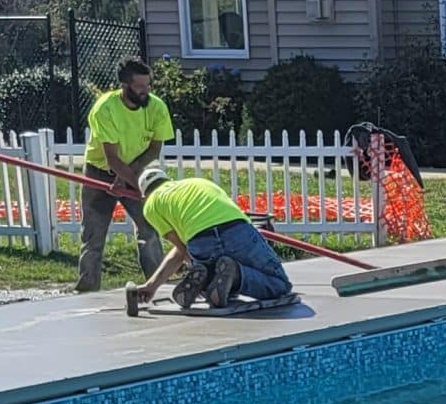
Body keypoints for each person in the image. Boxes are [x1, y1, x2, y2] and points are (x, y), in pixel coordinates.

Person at [130, 171, 296, 311]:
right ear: (168, 180)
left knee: (213, 281)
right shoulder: (199, 182)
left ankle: (207, 282)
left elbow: (181, 248)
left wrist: (154, 285)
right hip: (236, 230)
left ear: (144, 195)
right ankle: (235, 274)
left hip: (201, 241)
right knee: (280, 285)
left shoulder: (151, 206)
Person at [78, 58, 173, 292]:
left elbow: (154, 149)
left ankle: (157, 286)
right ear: (124, 85)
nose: (146, 91)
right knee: (93, 235)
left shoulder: (156, 107)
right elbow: (112, 158)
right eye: (140, 86)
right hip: (99, 174)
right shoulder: (105, 109)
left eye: (148, 85)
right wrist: (129, 181)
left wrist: (134, 180)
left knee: (150, 229)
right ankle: (88, 290)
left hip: (138, 172)